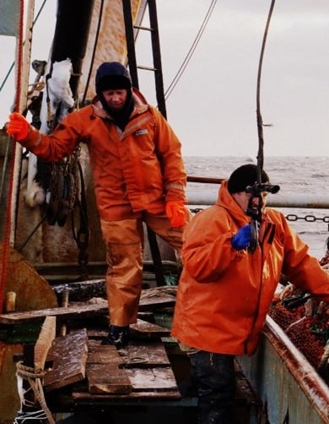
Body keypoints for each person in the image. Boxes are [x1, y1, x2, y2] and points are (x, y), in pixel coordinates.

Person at [171, 163, 329, 424]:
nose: (258, 201)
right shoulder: (211, 219)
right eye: (251, 194)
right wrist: (230, 245)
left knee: (209, 392)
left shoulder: (274, 223)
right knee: (216, 394)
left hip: (234, 330)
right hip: (205, 328)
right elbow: (196, 265)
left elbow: (300, 263)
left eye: (263, 194)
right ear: (234, 193)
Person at [5, 61, 190, 347]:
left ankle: (212, 304)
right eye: (109, 93)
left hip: (158, 201)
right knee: (124, 267)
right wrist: (28, 135)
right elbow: (55, 148)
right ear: (101, 94)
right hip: (116, 207)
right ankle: (120, 328)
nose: (115, 98)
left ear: (128, 90)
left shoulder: (150, 116)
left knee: (196, 241)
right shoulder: (85, 119)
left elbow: (172, 154)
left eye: (119, 92)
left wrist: (176, 198)